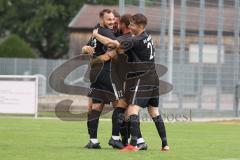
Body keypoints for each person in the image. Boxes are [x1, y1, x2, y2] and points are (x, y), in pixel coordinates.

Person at [92, 13, 170, 152]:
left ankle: (134, 144)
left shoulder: (136, 40)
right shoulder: (146, 36)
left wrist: (96, 35)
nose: (130, 26)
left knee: (132, 110)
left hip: (142, 78)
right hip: (153, 78)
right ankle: (165, 144)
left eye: (132, 24)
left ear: (139, 26)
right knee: (154, 112)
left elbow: (113, 44)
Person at [82, 9, 126, 149]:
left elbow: (87, 47)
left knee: (96, 107)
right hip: (107, 73)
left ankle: (93, 141)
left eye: (113, 19)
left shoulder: (97, 31)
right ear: (102, 20)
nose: (112, 22)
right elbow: (114, 44)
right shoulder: (105, 32)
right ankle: (115, 138)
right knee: (122, 104)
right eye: (109, 19)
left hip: (95, 74)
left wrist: (85, 48)